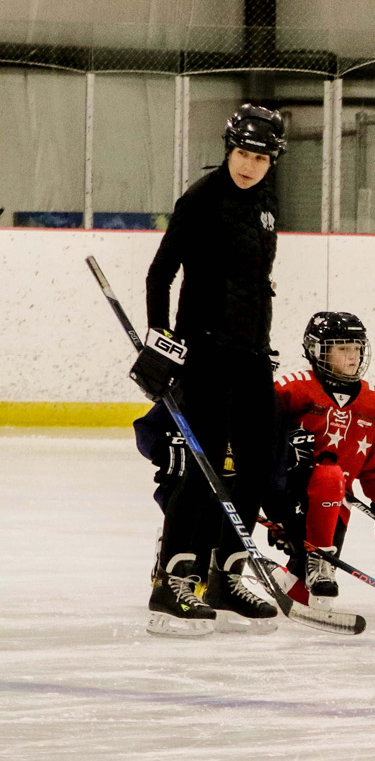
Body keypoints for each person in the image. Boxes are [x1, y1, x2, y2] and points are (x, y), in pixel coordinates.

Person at [130, 104, 286, 638]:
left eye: (260, 157)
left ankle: (225, 573)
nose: (249, 164)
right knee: (201, 468)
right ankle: (173, 579)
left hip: (251, 356)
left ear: (272, 162)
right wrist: (162, 343)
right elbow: (160, 273)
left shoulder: (266, 202)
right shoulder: (201, 199)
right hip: (205, 355)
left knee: (257, 465)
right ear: (228, 149)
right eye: (243, 153)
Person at [263, 312, 375, 605]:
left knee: (310, 598)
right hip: (288, 493)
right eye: (343, 348)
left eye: (357, 348)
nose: (353, 356)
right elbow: (257, 440)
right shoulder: (292, 389)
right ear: (318, 351)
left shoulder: (373, 401)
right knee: (329, 474)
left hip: (334, 502)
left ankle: (277, 574)